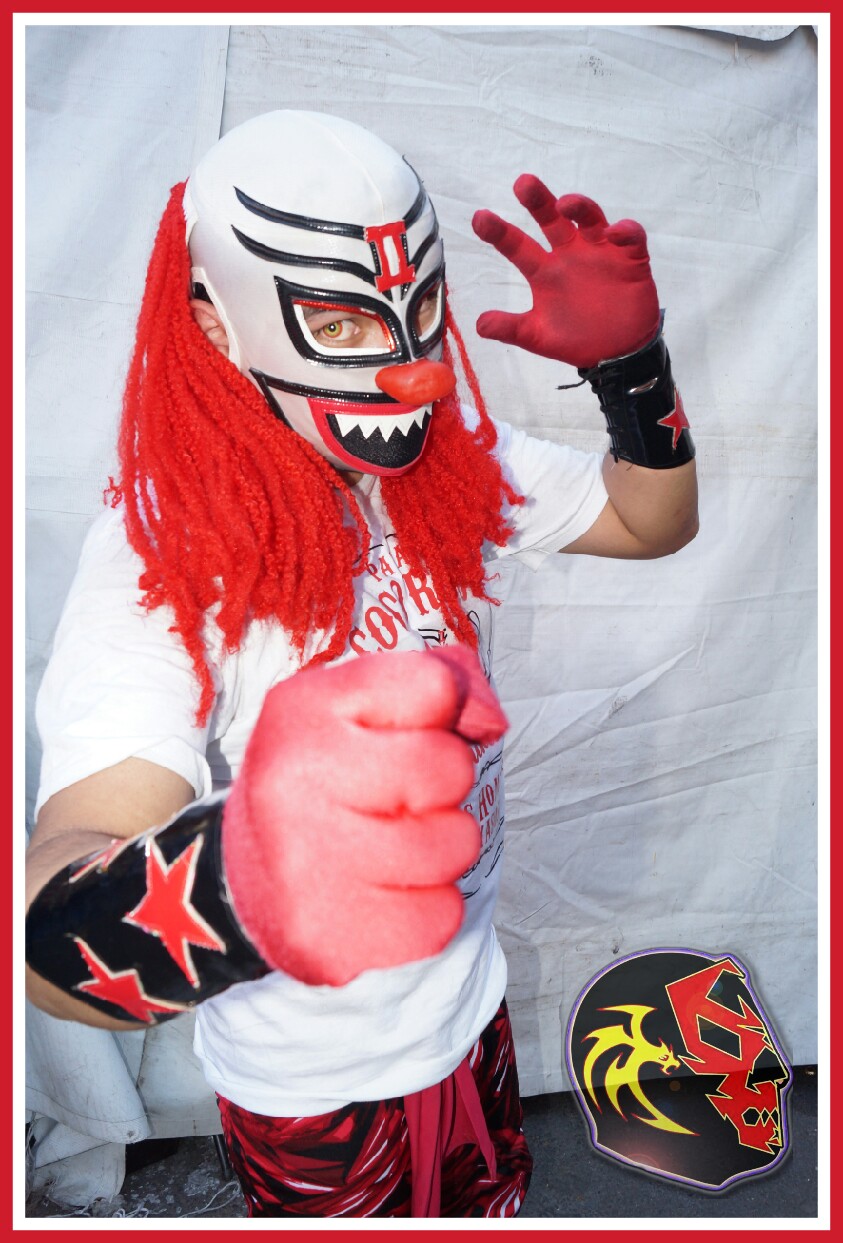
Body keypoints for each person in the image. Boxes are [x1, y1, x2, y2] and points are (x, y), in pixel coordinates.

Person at [25, 110, 698, 1218]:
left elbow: (648, 522)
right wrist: (242, 874)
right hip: (313, 1081)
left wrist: (632, 372)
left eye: (417, 313)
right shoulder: (161, 553)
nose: (409, 372)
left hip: (467, 1008)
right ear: (218, 322)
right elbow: (54, 924)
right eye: (339, 323)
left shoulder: (448, 464)